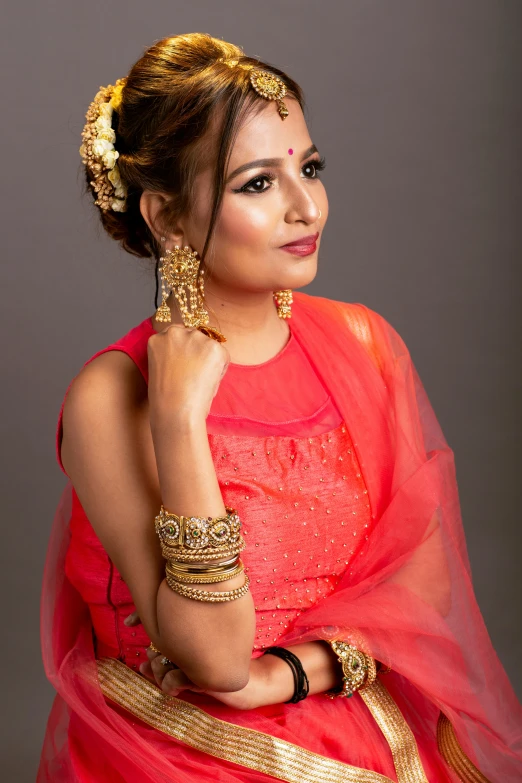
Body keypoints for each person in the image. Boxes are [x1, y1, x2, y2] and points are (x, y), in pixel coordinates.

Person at [38, 32, 522, 783]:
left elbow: (422, 587)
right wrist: (176, 419)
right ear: (166, 215)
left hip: (363, 721)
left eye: (310, 168)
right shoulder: (112, 396)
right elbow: (215, 659)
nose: (306, 206)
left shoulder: (364, 343)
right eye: (258, 184)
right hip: (181, 748)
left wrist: (286, 675)